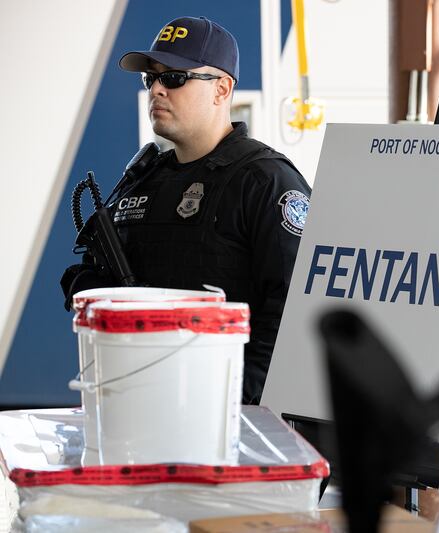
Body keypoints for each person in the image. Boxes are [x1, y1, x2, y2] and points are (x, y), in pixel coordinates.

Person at [62, 16, 311, 405]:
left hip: (227, 420)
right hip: (137, 402)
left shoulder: (264, 182)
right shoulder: (141, 181)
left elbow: (295, 310)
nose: (157, 89)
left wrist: (242, 406)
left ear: (222, 89)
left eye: (174, 77)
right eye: (151, 79)